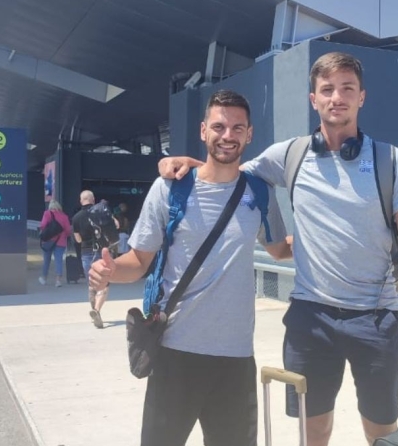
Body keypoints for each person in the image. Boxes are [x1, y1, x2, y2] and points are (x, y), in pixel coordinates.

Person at [159, 52, 398, 446]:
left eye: (347, 88)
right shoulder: (290, 156)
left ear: (362, 97)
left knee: (381, 431)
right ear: (313, 99)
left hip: (376, 318)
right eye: (327, 89)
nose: (336, 97)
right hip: (310, 318)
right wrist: (186, 162)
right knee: (313, 430)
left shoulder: (392, 162)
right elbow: (226, 169)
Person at [89, 89, 290, 446]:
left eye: (237, 128)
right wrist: (110, 271)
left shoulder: (259, 193)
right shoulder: (170, 189)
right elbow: (138, 261)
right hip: (174, 353)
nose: (227, 135)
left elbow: (278, 249)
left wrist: (327, 234)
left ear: (249, 134)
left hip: (235, 358)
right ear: (203, 130)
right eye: (219, 126)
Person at [72, 190, 109, 328]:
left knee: (92, 283)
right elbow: (115, 225)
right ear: (93, 200)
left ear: (81, 200)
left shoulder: (76, 218)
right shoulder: (99, 213)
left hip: (85, 252)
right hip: (100, 251)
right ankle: (96, 310)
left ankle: (94, 310)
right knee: (104, 284)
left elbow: (78, 239)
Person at [38, 200, 72, 287]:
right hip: (61, 241)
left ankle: (44, 278)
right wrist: (65, 236)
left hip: (48, 241)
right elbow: (68, 230)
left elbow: (42, 225)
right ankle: (58, 281)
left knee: (46, 260)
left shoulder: (47, 214)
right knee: (58, 260)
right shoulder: (64, 216)